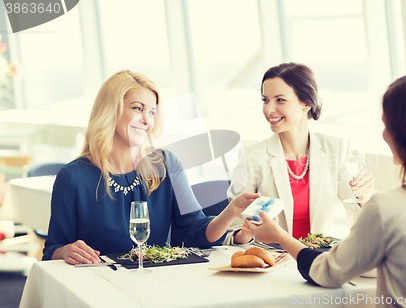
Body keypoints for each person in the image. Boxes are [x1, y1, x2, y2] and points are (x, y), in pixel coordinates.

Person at [246, 72, 406, 306]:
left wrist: (278, 236)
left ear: (404, 135)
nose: (384, 135)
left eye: (387, 125)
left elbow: (327, 273)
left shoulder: (387, 209)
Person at [42, 70, 258, 264]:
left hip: (156, 285)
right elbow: (53, 249)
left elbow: (195, 230)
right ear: (111, 110)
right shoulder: (72, 177)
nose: (147, 120)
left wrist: (231, 213)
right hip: (99, 286)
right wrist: (64, 252)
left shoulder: (166, 164)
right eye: (138, 108)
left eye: (152, 112)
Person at [228, 62, 375, 239]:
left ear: (306, 103)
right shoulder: (251, 157)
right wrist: (245, 233)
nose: (268, 109)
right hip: (273, 260)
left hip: (317, 258)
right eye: (265, 100)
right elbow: (233, 232)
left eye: (280, 100)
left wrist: (364, 198)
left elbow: (360, 222)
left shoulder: (334, 149)